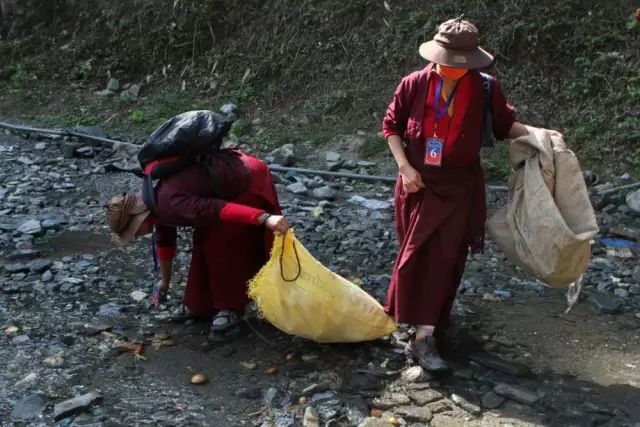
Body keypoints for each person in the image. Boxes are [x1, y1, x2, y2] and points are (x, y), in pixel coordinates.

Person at [382, 18, 560, 371]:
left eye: (460, 64)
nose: (452, 69)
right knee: (414, 255)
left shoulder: (485, 88)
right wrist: (404, 168)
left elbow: (505, 126)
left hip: (460, 185)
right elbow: (391, 126)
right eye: (447, 61)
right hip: (416, 183)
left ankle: (425, 335)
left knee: (445, 257)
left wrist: (543, 135)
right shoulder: (414, 84)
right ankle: (413, 318)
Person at [106, 148, 289, 334]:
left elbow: (217, 208)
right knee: (201, 240)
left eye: (133, 232)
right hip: (222, 187)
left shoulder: (169, 202)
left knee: (219, 245)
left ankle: (231, 307)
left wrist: (264, 218)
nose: (136, 236)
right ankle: (199, 305)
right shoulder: (155, 204)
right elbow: (165, 241)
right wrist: (165, 280)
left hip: (246, 177)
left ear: (138, 219)